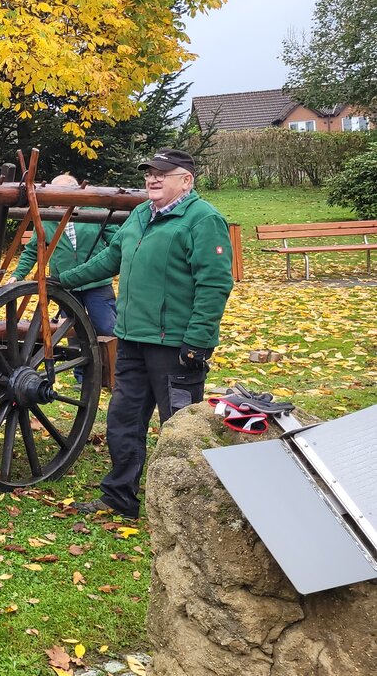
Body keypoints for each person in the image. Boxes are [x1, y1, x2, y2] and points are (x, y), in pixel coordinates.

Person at [52, 148, 233, 520]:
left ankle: (185, 509)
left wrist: (198, 341)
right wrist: (63, 280)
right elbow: (109, 260)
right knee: (123, 419)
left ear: (186, 180)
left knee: (179, 427)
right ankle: (120, 496)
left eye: (161, 173)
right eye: (149, 172)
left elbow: (214, 284)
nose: (152, 178)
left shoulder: (202, 219)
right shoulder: (140, 215)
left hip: (175, 346)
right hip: (132, 340)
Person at [6, 173, 117, 381]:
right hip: (64, 285)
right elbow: (31, 251)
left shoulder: (97, 212)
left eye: (62, 194)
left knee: (106, 327)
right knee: (73, 331)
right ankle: (82, 378)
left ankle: (112, 374)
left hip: (96, 283)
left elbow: (117, 244)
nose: (57, 200)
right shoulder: (46, 218)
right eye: (53, 195)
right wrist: (17, 274)